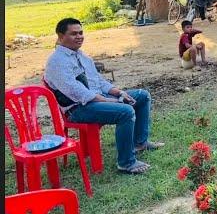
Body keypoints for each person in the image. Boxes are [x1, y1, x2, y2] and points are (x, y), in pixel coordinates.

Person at [44, 18, 164, 175]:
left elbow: (99, 81)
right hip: (78, 109)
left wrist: (119, 93)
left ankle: (140, 142)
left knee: (142, 96)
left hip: (96, 100)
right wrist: (108, 100)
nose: (79, 36)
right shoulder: (57, 61)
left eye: (81, 33)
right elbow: (76, 92)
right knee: (125, 111)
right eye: (74, 34)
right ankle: (126, 162)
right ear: (60, 36)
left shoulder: (82, 56)